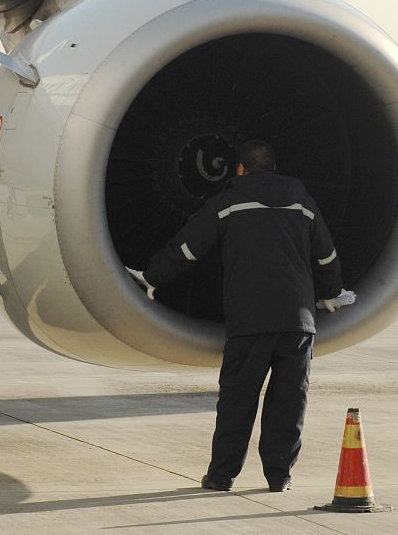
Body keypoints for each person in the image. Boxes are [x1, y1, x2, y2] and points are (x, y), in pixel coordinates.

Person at [126, 139, 355, 493]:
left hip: (250, 321)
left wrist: (152, 277)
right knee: (290, 402)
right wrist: (330, 293)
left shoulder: (229, 202)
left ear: (241, 170)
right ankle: (279, 476)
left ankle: (222, 476)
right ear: (274, 168)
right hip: (298, 321)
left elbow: (188, 249)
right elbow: (325, 256)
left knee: (238, 400)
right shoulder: (303, 203)